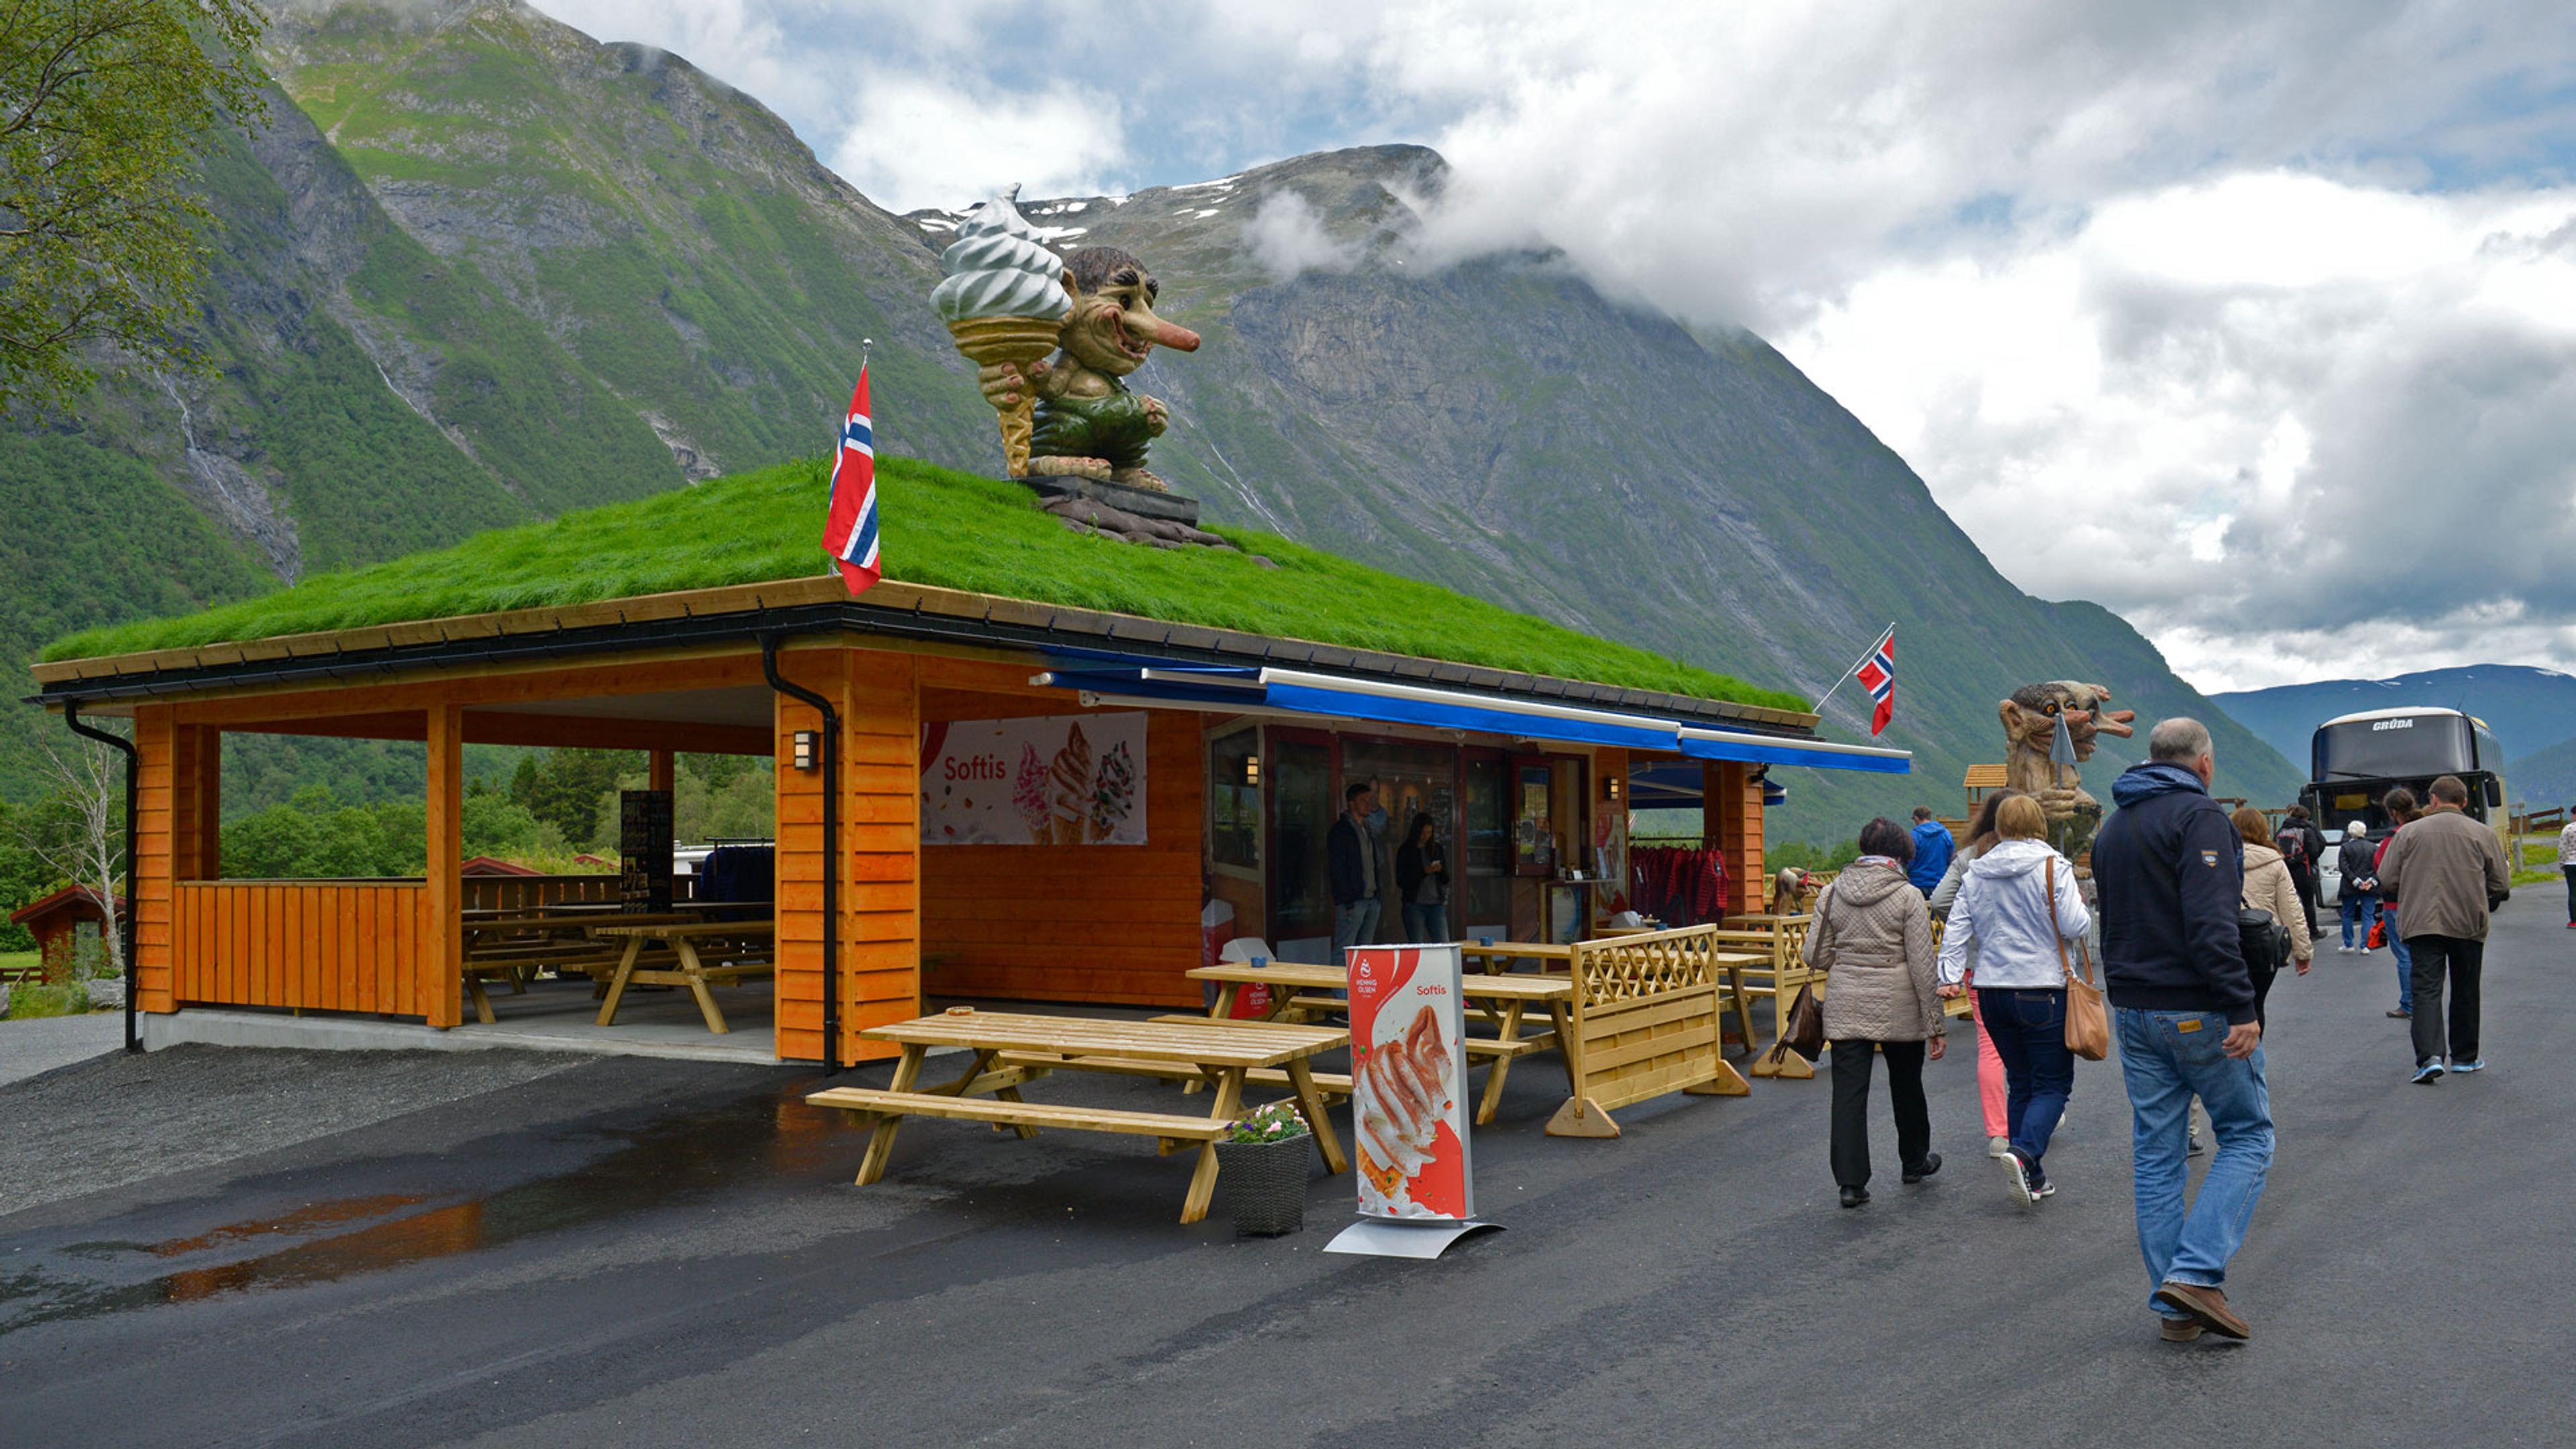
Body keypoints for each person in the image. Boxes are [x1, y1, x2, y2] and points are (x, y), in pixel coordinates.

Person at [2092, 717, 2272, 1344]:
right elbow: (2210, 924)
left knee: (2158, 1154)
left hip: (2135, 1011)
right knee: (2248, 1135)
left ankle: (2176, 1310)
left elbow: (2107, 922)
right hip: (2196, 1006)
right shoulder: (2198, 819)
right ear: (2203, 764)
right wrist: (2241, 1005)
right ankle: (2195, 1276)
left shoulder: (2113, 826)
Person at [1935, 795, 2089, 1206]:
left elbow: (1956, 928)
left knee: (2021, 1081)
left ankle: (2033, 1177)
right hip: (2043, 988)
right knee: (2053, 1084)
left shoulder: (1977, 872)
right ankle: (2023, 1155)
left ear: (1999, 827)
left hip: (1989, 990)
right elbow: (2076, 924)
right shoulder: (2053, 866)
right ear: (2039, 823)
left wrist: (1948, 976)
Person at [1804, 816, 1946, 1209]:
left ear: (1864, 849)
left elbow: (1812, 953)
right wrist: (1935, 1023)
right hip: (1899, 1002)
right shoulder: (1909, 896)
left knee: (1849, 1094)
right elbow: (1921, 965)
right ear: (1901, 855)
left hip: (1847, 999)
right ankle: (1914, 1161)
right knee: (1907, 1084)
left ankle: (1851, 1183)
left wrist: (1849, 961)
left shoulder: (1831, 893)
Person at [2375, 775, 2510, 1082]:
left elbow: (2388, 877)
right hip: (2467, 922)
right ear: (2463, 802)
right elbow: (2501, 883)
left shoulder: (2408, 833)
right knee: (2465, 988)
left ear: (2433, 800)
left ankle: (2429, 1057)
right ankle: (2465, 1057)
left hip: (2422, 923)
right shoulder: (2482, 833)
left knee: (2425, 990)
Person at [1927, 787, 2029, 1161]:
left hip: (1978, 967)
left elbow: (1939, 901)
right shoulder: (2036, 855)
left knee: (1991, 1047)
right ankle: (2036, 1115)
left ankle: (1999, 1133)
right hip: (2029, 969)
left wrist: (1965, 924)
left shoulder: (1969, 857)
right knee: (2032, 1043)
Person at [2233, 806, 2313, 1030]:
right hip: (2263, 943)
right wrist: (2302, 952)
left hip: (2227, 941)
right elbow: (2291, 909)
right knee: (2257, 1004)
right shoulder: (2274, 861)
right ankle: (2253, 1057)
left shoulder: (2219, 858)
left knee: (2229, 1005)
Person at [1326, 781, 1384, 959]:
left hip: (1371, 898)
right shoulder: (1341, 831)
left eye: (1370, 800)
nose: (1368, 804)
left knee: (1364, 953)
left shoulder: (1367, 829)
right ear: (1352, 803)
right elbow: (1337, 869)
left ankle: (1358, 988)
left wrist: (1378, 897)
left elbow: (1373, 863)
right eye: (1363, 800)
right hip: (1352, 901)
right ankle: (1339, 988)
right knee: (1344, 951)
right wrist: (1346, 901)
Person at [2375, 790, 2420, 1019]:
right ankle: (2425, 1000)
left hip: (2397, 904)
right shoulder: (2424, 831)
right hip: (2423, 901)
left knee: (2404, 955)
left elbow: (2383, 871)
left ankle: (2409, 1004)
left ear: (2393, 812)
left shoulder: (2392, 838)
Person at [1393, 812, 1452, 945]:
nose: (1425, 837)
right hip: (1415, 904)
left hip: (1436, 903)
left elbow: (1446, 879)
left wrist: (1440, 870)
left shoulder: (1436, 849)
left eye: (1429, 833)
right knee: (1417, 945)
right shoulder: (1406, 850)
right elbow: (1402, 880)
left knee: (1443, 943)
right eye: (1423, 833)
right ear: (1416, 831)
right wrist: (1424, 872)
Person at [2275, 804, 2324, 935]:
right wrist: (2308, 861)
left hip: (2286, 870)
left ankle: (2292, 931)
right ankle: (2313, 930)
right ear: (2305, 817)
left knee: (2289, 902)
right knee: (2308, 902)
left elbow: (2275, 847)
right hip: (2304, 869)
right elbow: (2315, 849)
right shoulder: (2307, 830)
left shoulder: (2282, 830)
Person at [2335, 820, 2381, 957]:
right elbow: (2379, 867)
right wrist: (2371, 881)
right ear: (2365, 832)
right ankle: (2366, 945)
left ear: (2350, 832)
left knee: (2347, 914)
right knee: (2368, 916)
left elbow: (2344, 867)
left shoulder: (2345, 848)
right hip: (2370, 887)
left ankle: (2348, 944)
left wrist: (2356, 881)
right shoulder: (2374, 848)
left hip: (2350, 887)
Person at [1907, 806, 1955, 895]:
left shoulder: (1914, 837)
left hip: (1918, 884)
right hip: (1940, 883)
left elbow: (1909, 861)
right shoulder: (1946, 834)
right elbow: (1951, 859)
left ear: (1916, 818)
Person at [2558, 813, 2576, 928]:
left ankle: (2574, 921)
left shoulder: (2568, 829)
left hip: (2570, 863)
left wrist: (2562, 863)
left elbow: (2562, 848)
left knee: (2573, 892)